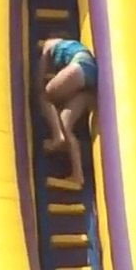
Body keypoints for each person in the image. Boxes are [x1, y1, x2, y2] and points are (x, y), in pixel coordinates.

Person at [37, 38, 97, 187]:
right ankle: (78, 175)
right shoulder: (71, 47)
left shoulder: (48, 44)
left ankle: (57, 137)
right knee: (65, 124)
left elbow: (40, 75)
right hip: (90, 79)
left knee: (45, 97)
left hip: (79, 67)